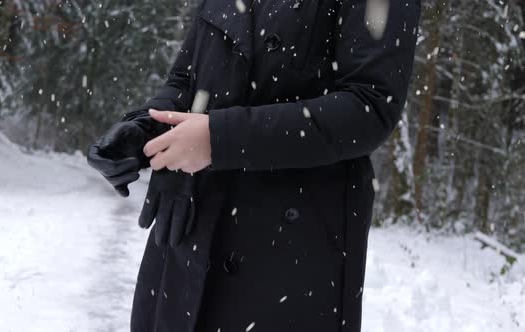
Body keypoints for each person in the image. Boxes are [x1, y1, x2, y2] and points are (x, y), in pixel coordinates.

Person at [87, 0, 422, 331]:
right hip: (188, 232)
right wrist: (147, 128)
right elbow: (187, 78)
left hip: (291, 253)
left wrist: (220, 139)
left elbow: (370, 107)